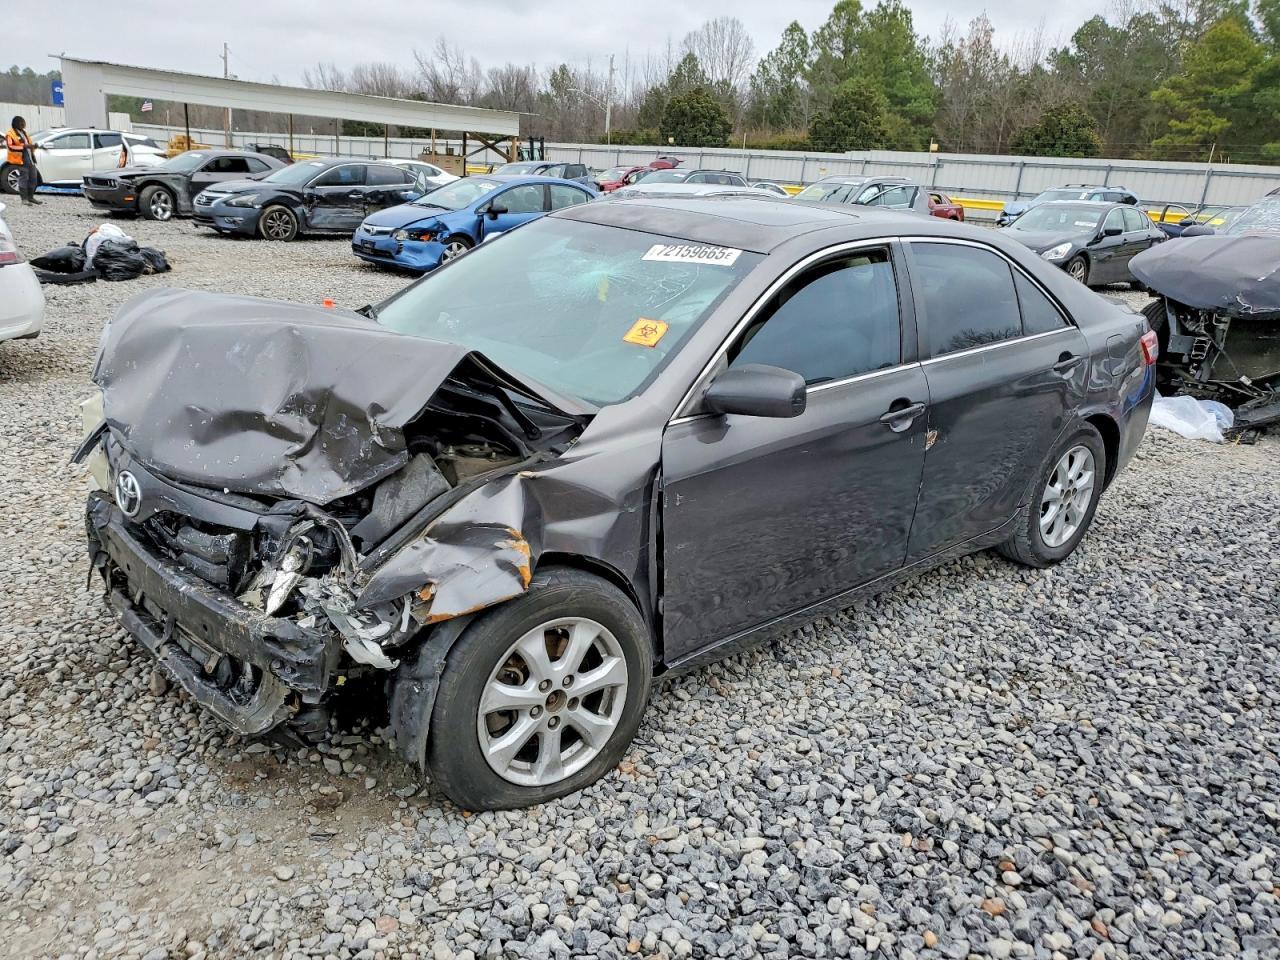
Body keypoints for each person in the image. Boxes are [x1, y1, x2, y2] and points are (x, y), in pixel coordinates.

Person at [4, 116, 40, 205]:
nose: (24, 124)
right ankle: (24, 199)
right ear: (17, 123)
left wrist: (33, 147)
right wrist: (24, 146)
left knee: (33, 179)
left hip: (30, 159)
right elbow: (10, 146)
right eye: (22, 122)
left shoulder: (24, 132)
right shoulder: (10, 134)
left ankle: (30, 197)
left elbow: (28, 144)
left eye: (24, 122)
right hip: (21, 160)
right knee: (24, 179)